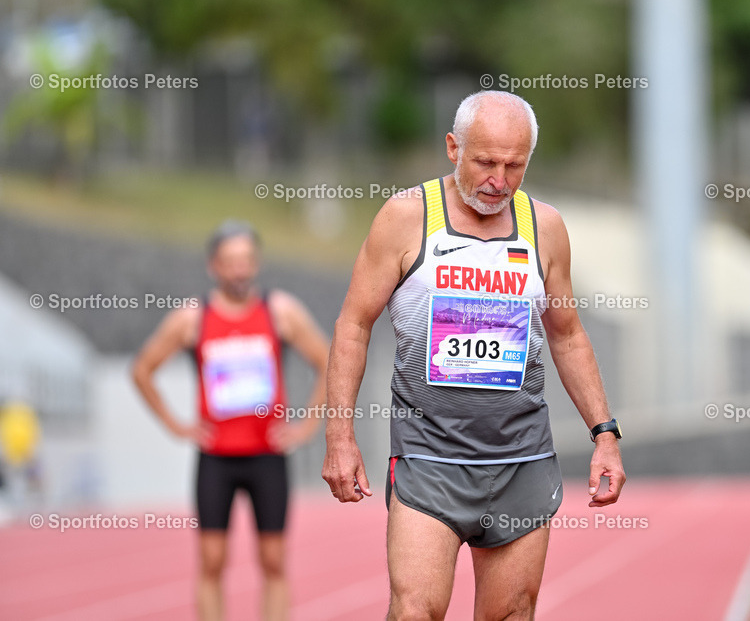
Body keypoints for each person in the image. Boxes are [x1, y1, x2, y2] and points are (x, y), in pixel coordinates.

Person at [321, 91, 626, 620]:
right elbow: (353, 324)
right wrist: (339, 435)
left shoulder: (544, 227)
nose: (498, 180)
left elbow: (568, 335)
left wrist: (605, 434)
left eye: (515, 166)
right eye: (485, 161)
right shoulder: (405, 217)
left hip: (521, 458)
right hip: (429, 455)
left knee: (510, 614)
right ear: (452, 147)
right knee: (416, 610)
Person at [133, 220, 330, 621]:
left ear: (256, 263)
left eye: (246, 260)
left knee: (273, 561)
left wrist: (308, 425)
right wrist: (176, 425)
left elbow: (329, 361)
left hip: (267, 454)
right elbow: (142, 370)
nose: (239, 269)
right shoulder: (192, 318)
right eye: (230, 262)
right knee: (212, 561)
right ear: (213, 266)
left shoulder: (280, 312)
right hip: (217, 457)